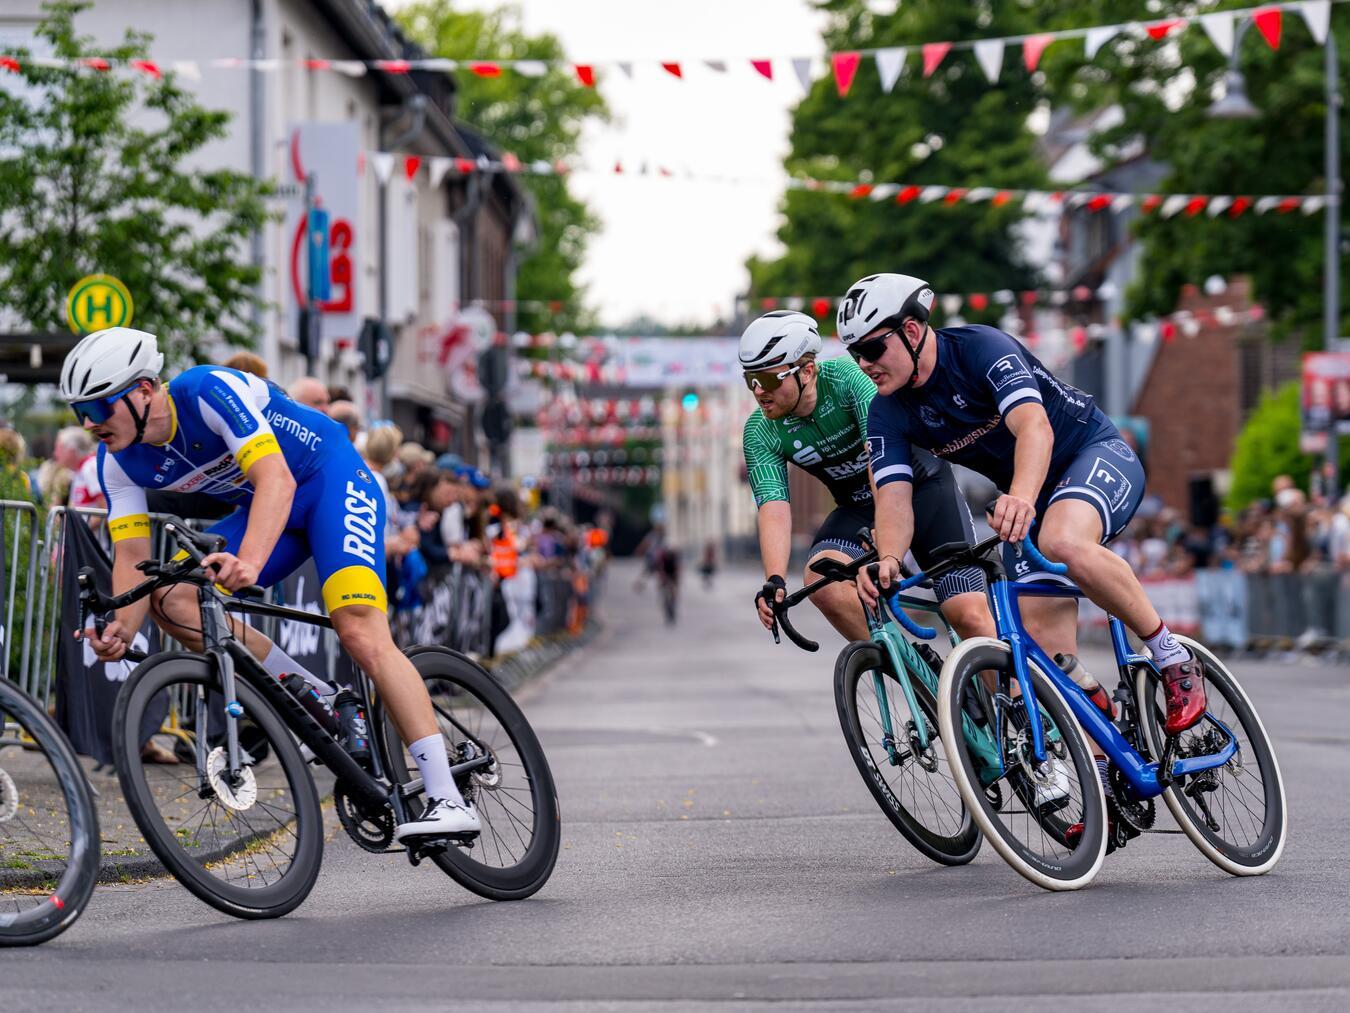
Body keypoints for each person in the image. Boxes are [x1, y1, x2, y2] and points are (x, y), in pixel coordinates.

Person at [62, 326, 480, 841]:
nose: (89, 422)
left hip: (329, 481)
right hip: (272, 510)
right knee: (172, 601)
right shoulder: (117, 461)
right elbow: (131, 555)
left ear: (145, 389)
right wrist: (123, 629)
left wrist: (250, 563)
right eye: (79, 411)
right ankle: (323, 701)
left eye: (100, 406)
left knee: (357, 630)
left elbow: (276, 480)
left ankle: (446, 796)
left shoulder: (207, 390)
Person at [840, 273, 1204, 746]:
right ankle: (1106, 787)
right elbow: (892, 498)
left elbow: (1034, 428)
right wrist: (888, 559)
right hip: (1030, 495)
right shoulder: (887, 411)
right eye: (854, 355)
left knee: (1061, 541)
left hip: (1089, 454)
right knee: (1050, 665)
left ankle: (1172, 658)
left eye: (871, 350)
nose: (864, 365)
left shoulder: (981, 349)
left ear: (911, 331)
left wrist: (1023, 498)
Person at [738, 310, 993, 647]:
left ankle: (1013, 697)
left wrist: (888, 539)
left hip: (921, 490)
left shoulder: (845, 379)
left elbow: (881, 457)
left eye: (768, 379)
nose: (758, 390)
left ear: (807, 370)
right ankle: (909, 667)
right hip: (858, 507)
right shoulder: (760, 431)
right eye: (750, 380)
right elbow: (773, 506)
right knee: (821, 580)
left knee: (968, 614)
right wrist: (774, 579)